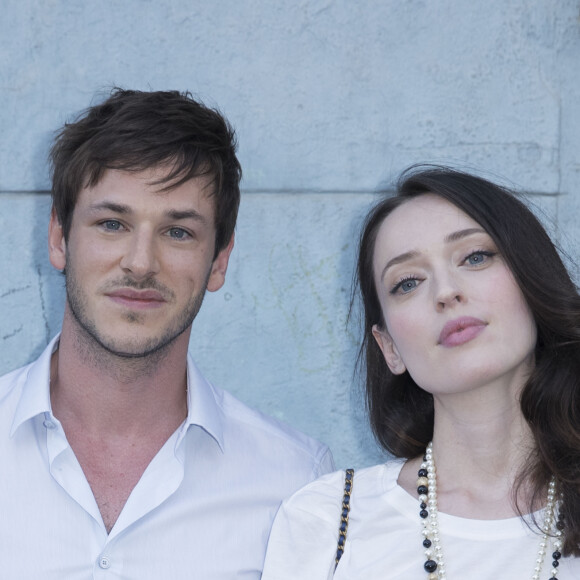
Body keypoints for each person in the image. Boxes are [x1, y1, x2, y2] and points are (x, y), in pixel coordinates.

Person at [0, 88, 334, 579]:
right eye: (112, 223)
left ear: (219, 260)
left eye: (178, 232)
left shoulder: (294, 481)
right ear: (58, 238)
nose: (140, 263)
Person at [261, 166, 580, 579]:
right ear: (389, 348)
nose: (446, 292)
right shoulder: (326, 521)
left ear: (532, 280)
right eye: (408, 282)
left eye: (475, 257)